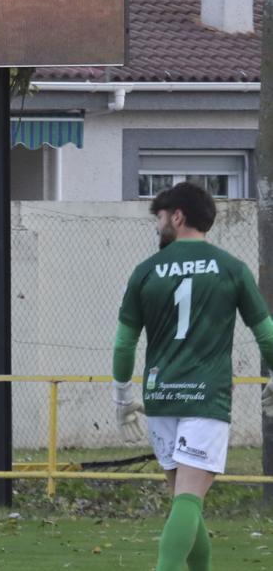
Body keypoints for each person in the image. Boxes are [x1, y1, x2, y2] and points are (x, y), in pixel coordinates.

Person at [112, 182, 273, 571]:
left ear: (178, 216)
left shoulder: (146, 271)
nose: (158, 225)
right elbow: (265, 331)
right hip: (206, 397)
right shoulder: (231, 268)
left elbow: (123, 342)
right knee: (189, 500)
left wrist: (121, 396)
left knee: (184, 501)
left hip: (161, 395)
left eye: (160, 217)